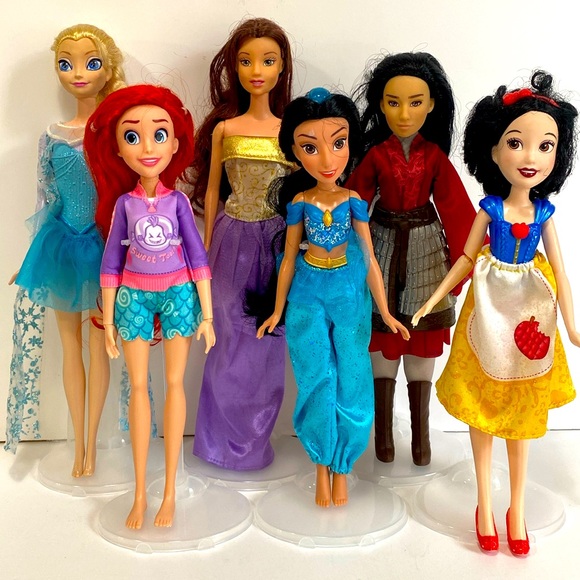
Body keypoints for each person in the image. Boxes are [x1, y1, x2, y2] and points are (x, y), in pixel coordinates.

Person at [412, 71, 579, 556]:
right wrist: (434, 298)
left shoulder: (544, 214)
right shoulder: (490, 208)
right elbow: (465, 258)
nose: (530, 157)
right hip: (488, 308)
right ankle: (485, 504)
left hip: (531, 312)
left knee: (521, 410)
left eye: (545, 146)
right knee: (483, 406)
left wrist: (571, 325)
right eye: (516, 143)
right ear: (493, 148)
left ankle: (517, 508)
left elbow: (561, 271)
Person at [257, 88, 409, 507]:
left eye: (338, 143)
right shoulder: (300, 202)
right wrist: (276, 310)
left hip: (347, 292)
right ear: (294, 153)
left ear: (351, 144)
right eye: (310, 147)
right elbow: (289, 258)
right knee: (314, 376)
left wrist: (386, 312)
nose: (327, 159)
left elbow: (371, 259)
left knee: (353, 376)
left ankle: (342, 466)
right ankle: (321, 464)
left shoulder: (354, 201)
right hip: (307, 293)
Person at [85, 84, 215, 529]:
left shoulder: (178, 202)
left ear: (175, 144)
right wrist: (108, 322)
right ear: (118, 149)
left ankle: (170, 492)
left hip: (178, 293)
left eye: (159, 135)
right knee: (138, 386)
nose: (146, 147)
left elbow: (198, 258)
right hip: (133, 296)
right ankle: (140, 492)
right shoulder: (125, 205)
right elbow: (111, 264)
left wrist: (208, 315)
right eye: (132, 136)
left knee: (175, 384)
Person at [346, 52, 477, 466]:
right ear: (381, 105)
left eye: (415, 102)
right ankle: (382, 439)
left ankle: (421, 441)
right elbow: (354, 200)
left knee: (421, 343)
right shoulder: (376, 155)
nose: (404, 114)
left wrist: (466, 261)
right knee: (381, 344)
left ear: (432, 104)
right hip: (381, 245)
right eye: (394, 102)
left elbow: (457, 210)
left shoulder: (434, 156)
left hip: (424, 251)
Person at [6, 24, 125, 477]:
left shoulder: (117, 131)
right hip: (59, 245)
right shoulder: (51, 136)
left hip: (104, 246)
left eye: (91, 63)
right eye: (66, 63)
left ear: (107, 69)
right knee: (71, 345)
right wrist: (30, 257)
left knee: (101, 341)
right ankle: (78, 445)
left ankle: (92, 444)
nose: (78, 73)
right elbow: (45, 198)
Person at [187, 18, 294, 471]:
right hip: (230, 240)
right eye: (247, 61)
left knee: (268, 339)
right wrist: (204, 249)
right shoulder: (225, 130)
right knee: (226, 335)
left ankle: (254, 442)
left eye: (268, 61)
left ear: (281, 67)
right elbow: (213, 189)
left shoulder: (292, 130)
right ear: (234, 67)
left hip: (277, 243)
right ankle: (218, 442)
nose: (257, 71)